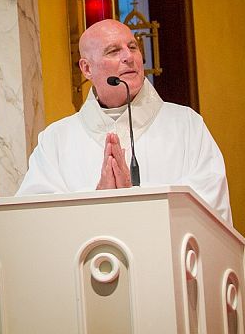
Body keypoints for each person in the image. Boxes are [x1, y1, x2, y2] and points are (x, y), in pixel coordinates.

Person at [16, 18, 232, 223]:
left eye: (133, 47)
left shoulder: (187, 126)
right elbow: (34, 218)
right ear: (86, 68)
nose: (129, 56)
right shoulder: (55, 140)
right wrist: (98, 199)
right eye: (113, 51)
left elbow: (211, 211)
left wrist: (133, 200)